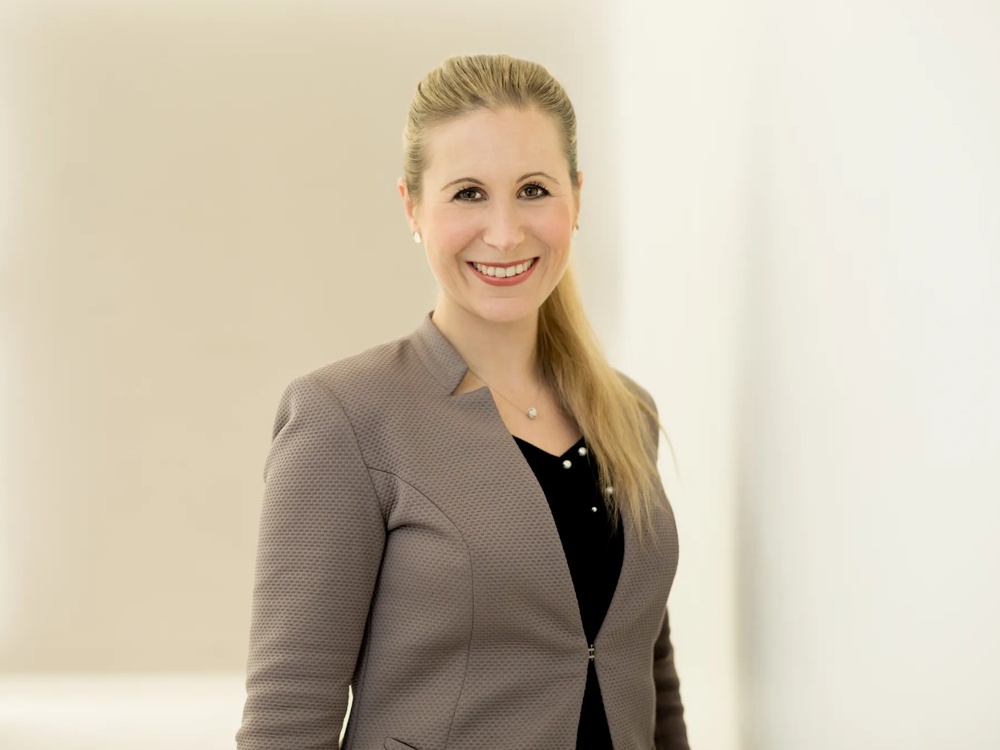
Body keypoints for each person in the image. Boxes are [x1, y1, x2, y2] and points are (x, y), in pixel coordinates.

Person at [235, 54, 689, 750]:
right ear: (412, 207)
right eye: (469, 193)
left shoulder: (629, 414)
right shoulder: (344, 419)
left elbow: (651, 677)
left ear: (576, 198)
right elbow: (287, 721)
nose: (504, 232)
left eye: (533, 190)